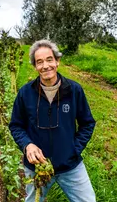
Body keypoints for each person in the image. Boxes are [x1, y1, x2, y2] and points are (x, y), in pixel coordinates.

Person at [9, 39, 96, 202]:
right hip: (36, 167)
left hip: (69, 166)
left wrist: (73, 150)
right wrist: (27, 145)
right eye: (39, 62)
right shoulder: (25, 93)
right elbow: (16, 125)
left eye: (49, 59)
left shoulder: (74, 90)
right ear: (35, 66)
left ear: (57, 61)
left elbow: (87, 123)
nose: (45, 66)